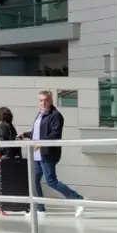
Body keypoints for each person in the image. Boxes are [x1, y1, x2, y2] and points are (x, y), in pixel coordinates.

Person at [19, 90, 85, 218]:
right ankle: (40, 210)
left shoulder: (55, 115)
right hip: (37, 154)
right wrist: (25, 135)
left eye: (45, 100)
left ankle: (78, 200)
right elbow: (37, 132)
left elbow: (55, 134)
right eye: (40, 100)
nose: (43, 103)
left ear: (51, 100)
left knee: (51, 181)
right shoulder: (40, 114)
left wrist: (42, 143)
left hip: (48, 153)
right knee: (34, 181)